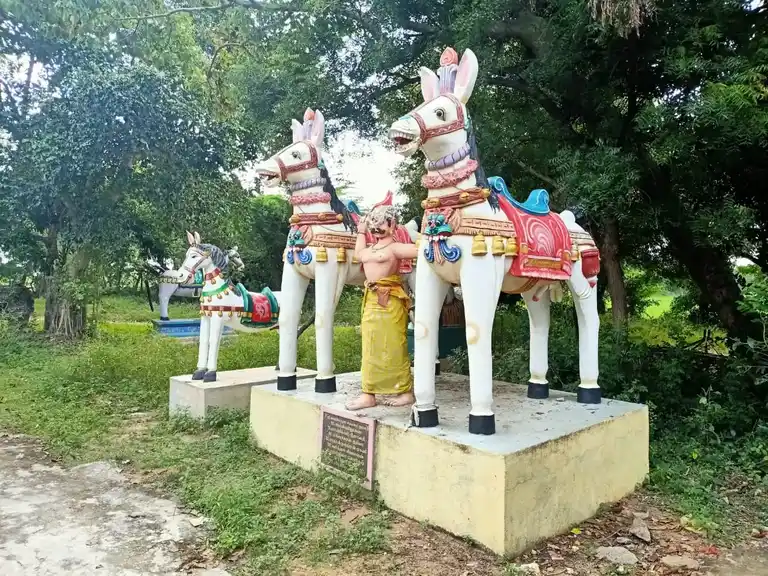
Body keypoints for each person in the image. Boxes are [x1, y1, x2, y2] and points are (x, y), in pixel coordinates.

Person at [345, 205, 419, 410]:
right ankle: (368, 393)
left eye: (380, 224)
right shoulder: (369, 249)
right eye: (373, 224)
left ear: (393, 224)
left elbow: (418, 249)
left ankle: (404, 391)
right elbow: (359, 254)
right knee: (369, 346)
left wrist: (431, 235)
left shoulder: (395, 248)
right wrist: (360, 231)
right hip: (371, 300)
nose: (376, 228)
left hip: (391, 300)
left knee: (394, 345)